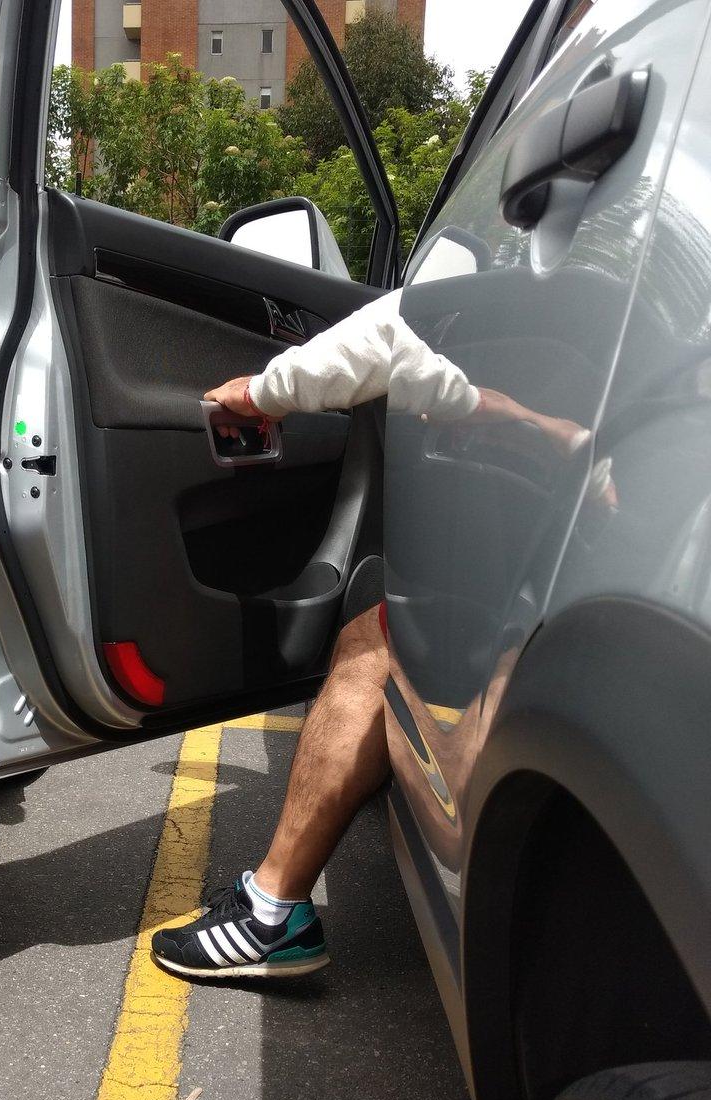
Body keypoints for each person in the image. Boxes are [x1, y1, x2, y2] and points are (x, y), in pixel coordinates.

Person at [150, 290, 594, 980]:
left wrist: (261, 390)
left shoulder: (553, 254)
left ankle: (272, 916)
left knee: (379, 641)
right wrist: (544, 428)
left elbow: (387, 338)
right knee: (384, 635)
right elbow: (471, 397)